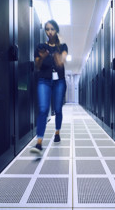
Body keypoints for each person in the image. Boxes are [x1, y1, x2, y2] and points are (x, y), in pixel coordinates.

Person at [30, 20, 68, 154]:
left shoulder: (63, 46)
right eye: (47, 29)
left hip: (59, 82)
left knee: (58, 109)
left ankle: (57, 132)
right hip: (44, 81)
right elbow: (37, 66)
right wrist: (42, 57)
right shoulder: (40, 46)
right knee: (43, 109)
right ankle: (39, 143)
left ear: (56, 30)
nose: (49, 31)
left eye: (52, 29)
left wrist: (58, 58)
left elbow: (62, 61)